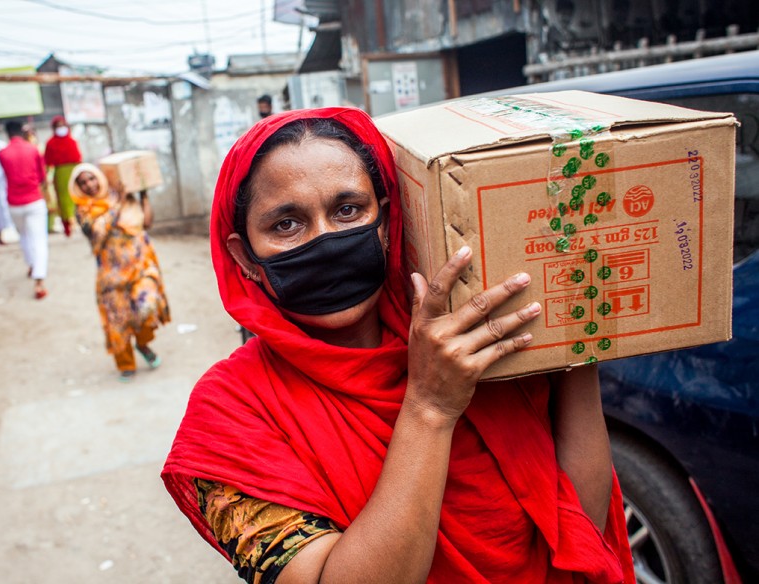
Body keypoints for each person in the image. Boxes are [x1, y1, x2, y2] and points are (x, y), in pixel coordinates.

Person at [161, 108, 635, 583]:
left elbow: (581, 529)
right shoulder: (228, 412)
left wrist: (575, 337)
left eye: (347, 210)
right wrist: (429, 407)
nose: (325, 240)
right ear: (244, 256)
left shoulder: (473, 335)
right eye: (286, 224)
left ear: (386, 221)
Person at [68, 163, 170, 382]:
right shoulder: (84, 210)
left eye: (91, 179)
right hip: (111, 276)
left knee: (147, 308)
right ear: (77, 187)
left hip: (140, 266)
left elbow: (147, 222)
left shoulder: (121, 195)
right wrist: (118, 203)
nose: (89, 185)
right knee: (118, 322)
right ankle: (126, 364)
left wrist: (143, 196)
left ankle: (142, 344)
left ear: (99, 178)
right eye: (83, 182)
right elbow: (97, 232)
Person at [0, 120, 49, 300]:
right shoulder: (33, 149)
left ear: (7, 133)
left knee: (25, 236)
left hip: (14, 202)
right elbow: (42, 176)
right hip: (34, 200)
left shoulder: (2, 154)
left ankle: (31, 265)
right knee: (39, 239)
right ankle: (39, 281)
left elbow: (4, 176)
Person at [44, 115, 82, 237]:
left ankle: (80, 221)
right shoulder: (50, 143)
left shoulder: (72, 141)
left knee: (78, 196)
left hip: (74, 171)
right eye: (58, 126)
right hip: (60, 174)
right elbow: (47, 162)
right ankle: (68, 225)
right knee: (64, 200)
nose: (61, 128)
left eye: (62, 125)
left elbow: (78, 158)